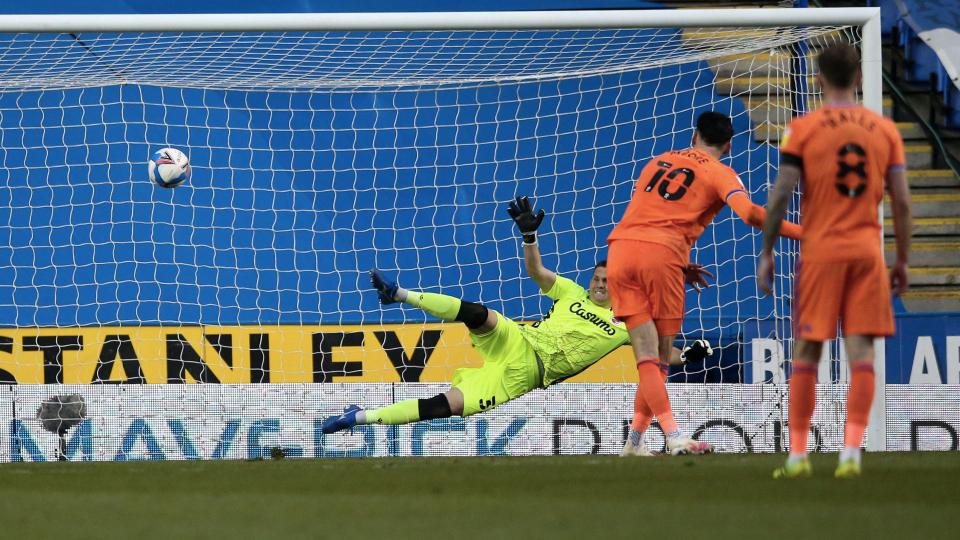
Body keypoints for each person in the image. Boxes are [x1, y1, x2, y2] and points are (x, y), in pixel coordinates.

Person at [322, 196, 714, 457]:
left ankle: (359, 417)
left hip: (526, 375)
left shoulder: (627, 322)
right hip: (520, 341)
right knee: (483, 315)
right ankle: (400, 294)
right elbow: (537, 271)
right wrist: (530, 235)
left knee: (449, 406)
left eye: (605, 281)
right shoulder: (570, 292)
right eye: (595, 278)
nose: (597, 284)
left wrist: (689, 355)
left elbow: (659, 358)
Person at [607, 111, 804, 456]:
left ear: (694, 134)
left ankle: (633, 444)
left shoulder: (659, 160)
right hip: (663, 257)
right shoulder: (720, 172)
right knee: (659, 359)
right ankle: (675, 436)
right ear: (729, 145)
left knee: (646, 356)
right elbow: (751, 215)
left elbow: (648, 214)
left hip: (620, 252)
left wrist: (679, 263)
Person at [758, 43, 911, 479]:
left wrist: (767, 250)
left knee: (807, 349)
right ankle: (851, 454)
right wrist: (901, 258)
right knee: (862, 351)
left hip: (821, 252)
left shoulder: (803, 129)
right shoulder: (885, 130)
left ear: (818, 79)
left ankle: (799, 456)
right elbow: (901, 200)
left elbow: (780, 194)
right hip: (866, 252)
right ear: (859, 78)